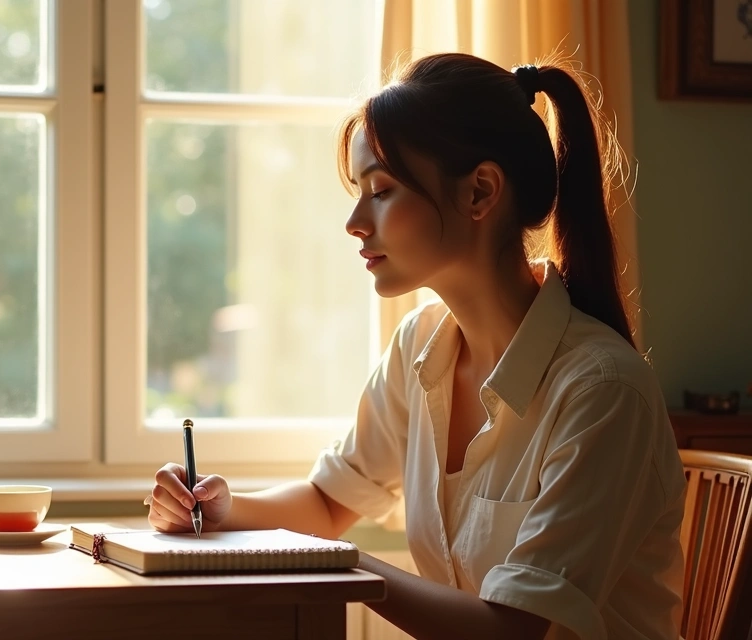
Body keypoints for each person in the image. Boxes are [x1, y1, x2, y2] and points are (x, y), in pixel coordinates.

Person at [147, 52, 686, 640]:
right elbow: (329, 504)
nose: (354, 221)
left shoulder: (603, 392)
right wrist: (221, 508)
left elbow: (509, 630)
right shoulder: (421, 345)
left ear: (480, 192)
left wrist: (339, 566)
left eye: (380, 190)